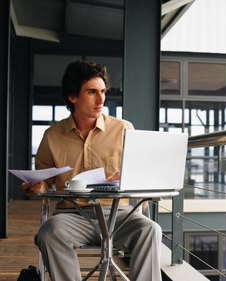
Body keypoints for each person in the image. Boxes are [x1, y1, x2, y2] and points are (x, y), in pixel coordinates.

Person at [22, 60, 162, 281]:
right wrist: (37, 186)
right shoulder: (52, 136)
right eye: (92, 92)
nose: (101, 99)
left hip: (119, 216)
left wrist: (128, 178)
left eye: (103, 91)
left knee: (150, 229)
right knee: (48, 233)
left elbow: (141, 175)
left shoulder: (124, 129)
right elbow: (45, 180)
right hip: (73, 216)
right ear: (73, 97)